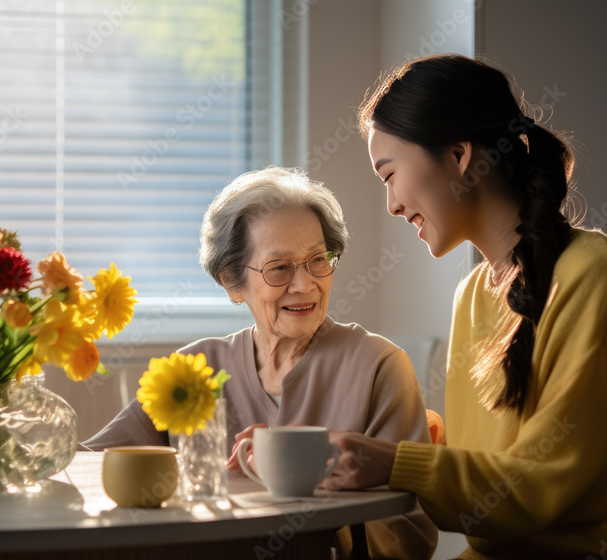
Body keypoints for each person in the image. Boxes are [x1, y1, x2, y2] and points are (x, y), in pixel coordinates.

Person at [324, 54, 607, 559]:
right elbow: (491, 474)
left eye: (389, 175)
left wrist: (397, 463)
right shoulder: (474, 294)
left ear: (459, 156)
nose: (391, 204)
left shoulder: (597, 271)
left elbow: (538, 485)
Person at [84, 166, 438, 559]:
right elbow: (87, 466)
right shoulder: (194, 369)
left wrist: (324, 521)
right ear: (233, 282)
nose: (305, 284)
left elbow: (411, 532)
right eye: (280, 267)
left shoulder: (379, 366)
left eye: (318, 259)